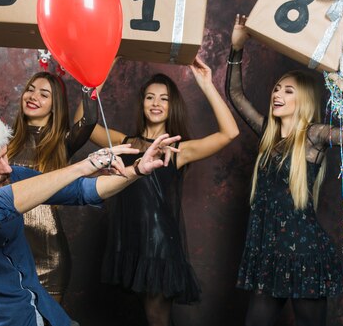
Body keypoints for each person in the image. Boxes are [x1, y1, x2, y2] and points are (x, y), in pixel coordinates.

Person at [0, 106, 180, 326]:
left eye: (4, 156)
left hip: (44, 311)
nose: (6, 169)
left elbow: (83, 190)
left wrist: (137, 171)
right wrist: (83, 166)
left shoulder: (7, 176)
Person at [226, 14, 343, 326]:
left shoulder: (314, 136)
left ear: (304, 99)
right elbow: (236, 95)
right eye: (277, 89)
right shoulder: (267, 132)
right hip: (270, 255)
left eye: (289, 91)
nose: (278, 95)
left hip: (305, 255)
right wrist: (236, 49)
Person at [74, 56, 239, 326]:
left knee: (156, 316)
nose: (156, 103)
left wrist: (206, 84)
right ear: (142, 103)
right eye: (150, 97)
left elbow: (229, 133)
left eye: (163, 98)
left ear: (172, 105)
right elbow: (83, 122)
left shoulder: (177, 149)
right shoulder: (125, 142)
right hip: (132, 240)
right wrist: (99, 75)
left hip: (160, 245)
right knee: (146, 314)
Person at [0, 36, 98, 302]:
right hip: (4, 247)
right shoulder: (2, 140)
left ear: (55, 105)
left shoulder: (62, 143)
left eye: (44, 94)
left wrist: (87, 68)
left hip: (49, 253)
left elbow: (91, 118)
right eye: (30, 90)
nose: (33, 96)